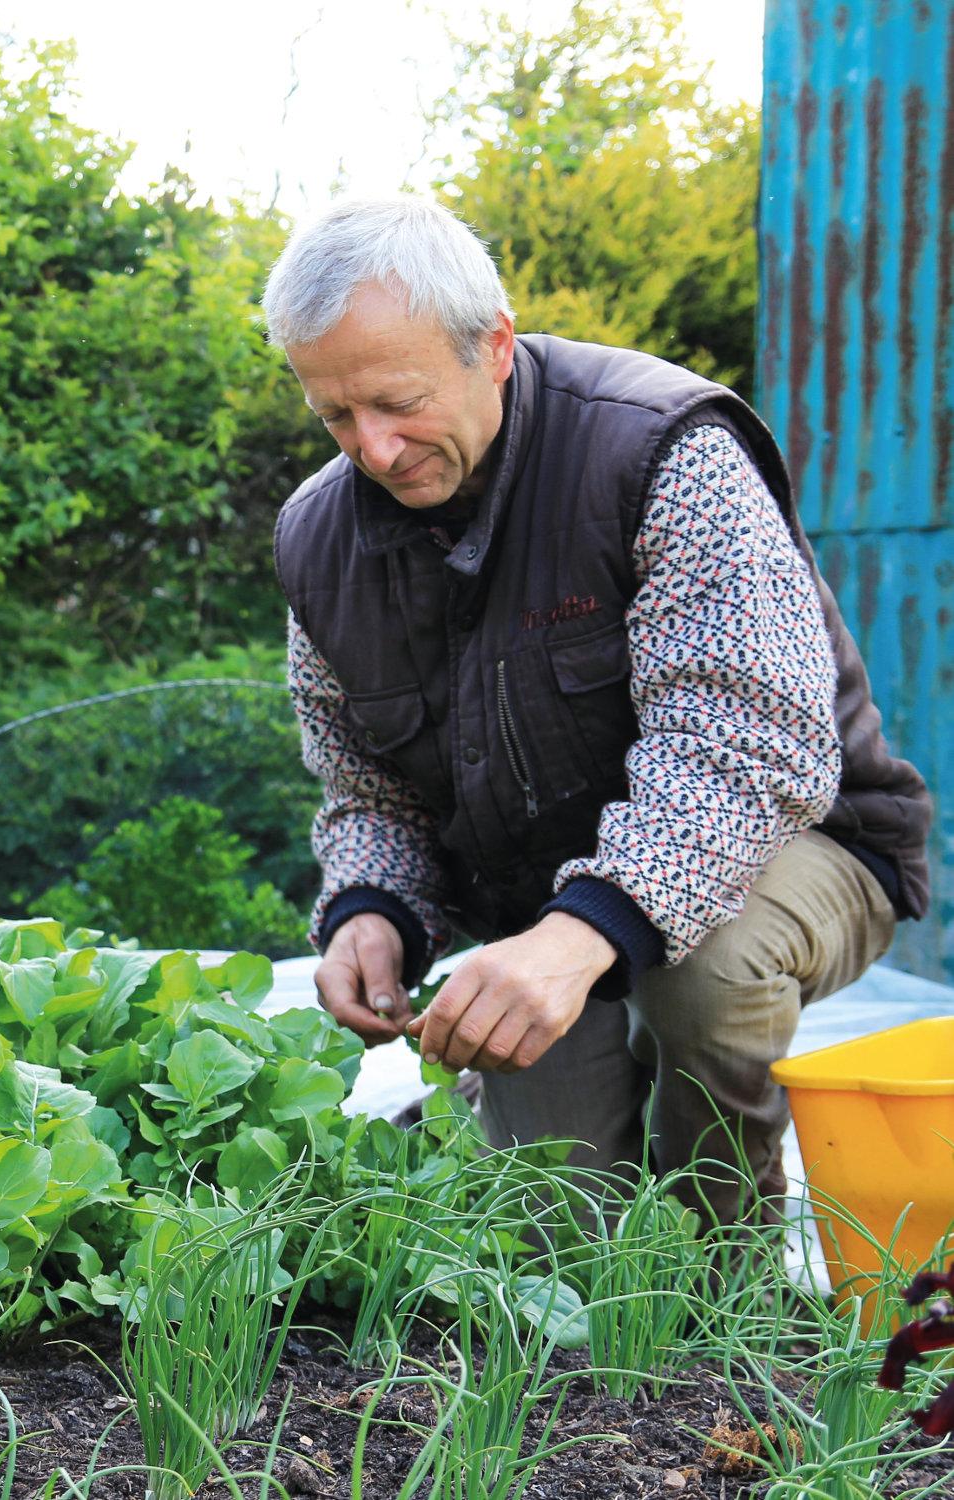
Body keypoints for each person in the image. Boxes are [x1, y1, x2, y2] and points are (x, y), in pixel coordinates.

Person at [262, 197, 931, 1221]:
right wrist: (371, 910)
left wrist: (583, 934)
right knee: (562, 1218)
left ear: (489, 345)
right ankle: (618, 1347)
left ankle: (730, 1288)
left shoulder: (658, 448)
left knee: (701, 974)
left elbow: (747, 749)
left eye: (397, 402)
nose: (376, 449)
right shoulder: (320, 543)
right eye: (336, 417)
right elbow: (369, 791)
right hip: (546, 904)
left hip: (802, 846)